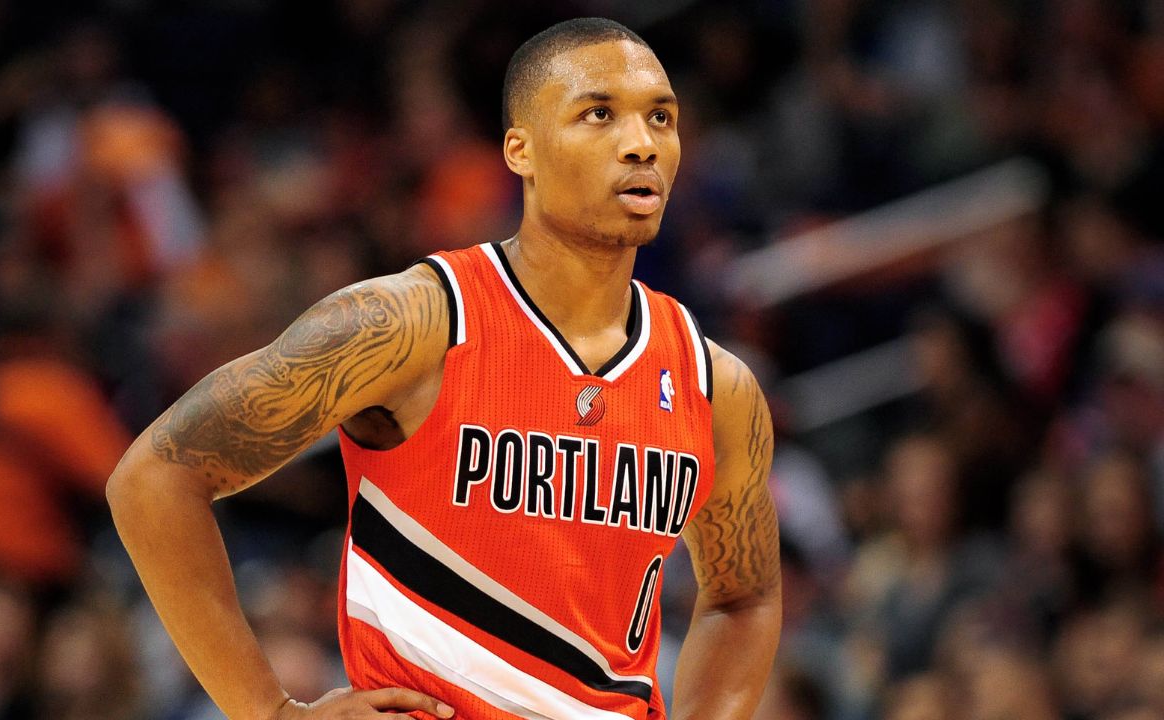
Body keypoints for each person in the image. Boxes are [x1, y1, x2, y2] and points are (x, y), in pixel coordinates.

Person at [108, 17, 781, 720]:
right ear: (520, 149)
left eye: (661, 118)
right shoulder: (411, 325)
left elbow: (744, 598)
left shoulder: (716, 386)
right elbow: (154, 479)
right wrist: (272, 711)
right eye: (600, 115)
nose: (642, 144)